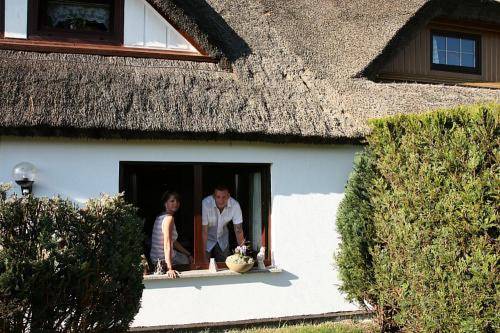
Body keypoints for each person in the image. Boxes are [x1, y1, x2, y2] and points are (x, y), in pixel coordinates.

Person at [150, 191, 193, 278]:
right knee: (187, 261)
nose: (176, 203)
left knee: (186, 256)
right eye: (172, 201)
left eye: (177, 201)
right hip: (161, 259)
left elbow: (173, 241)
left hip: (154, 257)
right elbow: (167, 244)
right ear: (165, 203)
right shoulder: (169, 219)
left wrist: (188, 254)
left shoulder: (160, 216)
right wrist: (170, 269)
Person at [202, 185, 245, 262]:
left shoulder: (235, 205)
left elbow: (238, 230)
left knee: (225, 264)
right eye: (218, 197)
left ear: (228, 196)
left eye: (224, 197)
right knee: (205, 264)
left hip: (222, 237)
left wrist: (242, 251)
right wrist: (204, 255)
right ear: (213, 196)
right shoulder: (205, 204)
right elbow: (204, 231)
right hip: (206, 238)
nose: (221, 201)